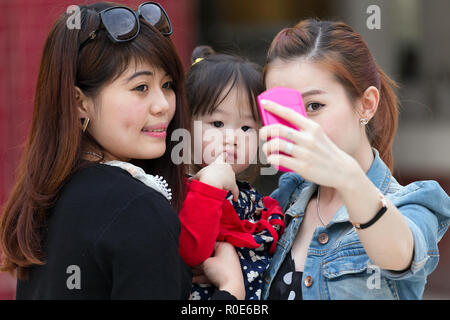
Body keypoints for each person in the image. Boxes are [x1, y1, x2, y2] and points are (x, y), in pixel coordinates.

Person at [0, 2, 244, 300]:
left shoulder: (43, 200)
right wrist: (231, 294)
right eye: (141, 87)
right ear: (79, 102)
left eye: (167, 85)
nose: (163, 105)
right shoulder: (138, 207)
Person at [257, 19, 450, 300]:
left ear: (367, 104)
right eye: (285, 110)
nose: (300, 126)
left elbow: (398, 253)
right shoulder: (284, 201)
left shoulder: (412, 203)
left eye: (314, 106)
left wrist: (348, 177)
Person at [178, 46, 285, 300]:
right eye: (217, 124)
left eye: (247, 127)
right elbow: (192, 252)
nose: (232, 138)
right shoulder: (184, 191)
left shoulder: (258, 202)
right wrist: (211, 186)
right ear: (185, 124)